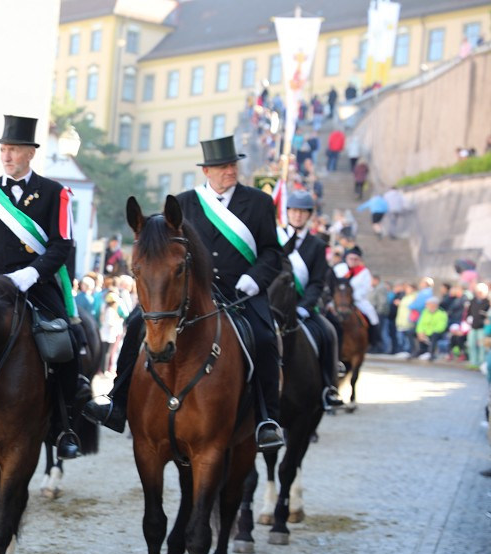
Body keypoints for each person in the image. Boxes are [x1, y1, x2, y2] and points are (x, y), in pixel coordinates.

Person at [85, 135, 285, 450]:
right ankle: (117, 401)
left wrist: (254, 279)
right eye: (221, 167)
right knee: (137, 323)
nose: (229, 171)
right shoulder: (184, 203)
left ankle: (266, 418)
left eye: (232, 165)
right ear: (206, 171)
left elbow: (273, 252)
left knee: (264, 337)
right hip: (190, 290)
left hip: (242, 291)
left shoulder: (258, 202)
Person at [0, 114, 89, 460]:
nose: (7, 156)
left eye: (14, 150)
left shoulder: (55, 193)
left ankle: (65, 426)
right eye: (4, 150)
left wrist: (31, 274)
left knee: (64, 343)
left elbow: (61, 245)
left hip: (34, 283)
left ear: (30, 154)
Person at [281, 190, 344, 408]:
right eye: (294, 211)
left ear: (309, 215)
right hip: (274, 305)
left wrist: (304, 308)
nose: (297, 216)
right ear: (287, 212)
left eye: (303, 212)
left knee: (329, 331)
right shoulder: (273, 238)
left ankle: (329, 386)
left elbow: (317, 281)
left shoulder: (317, 245)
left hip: (302, 307)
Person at [343, 249, 382, 348]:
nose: (352, 261)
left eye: (355, 259)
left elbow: (366, 287)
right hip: (341, 300)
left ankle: (374, 339)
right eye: (350, 258)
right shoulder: (340, 269)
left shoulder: (364, 272)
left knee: (371, 314)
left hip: (357, 300)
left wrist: (353, 297)